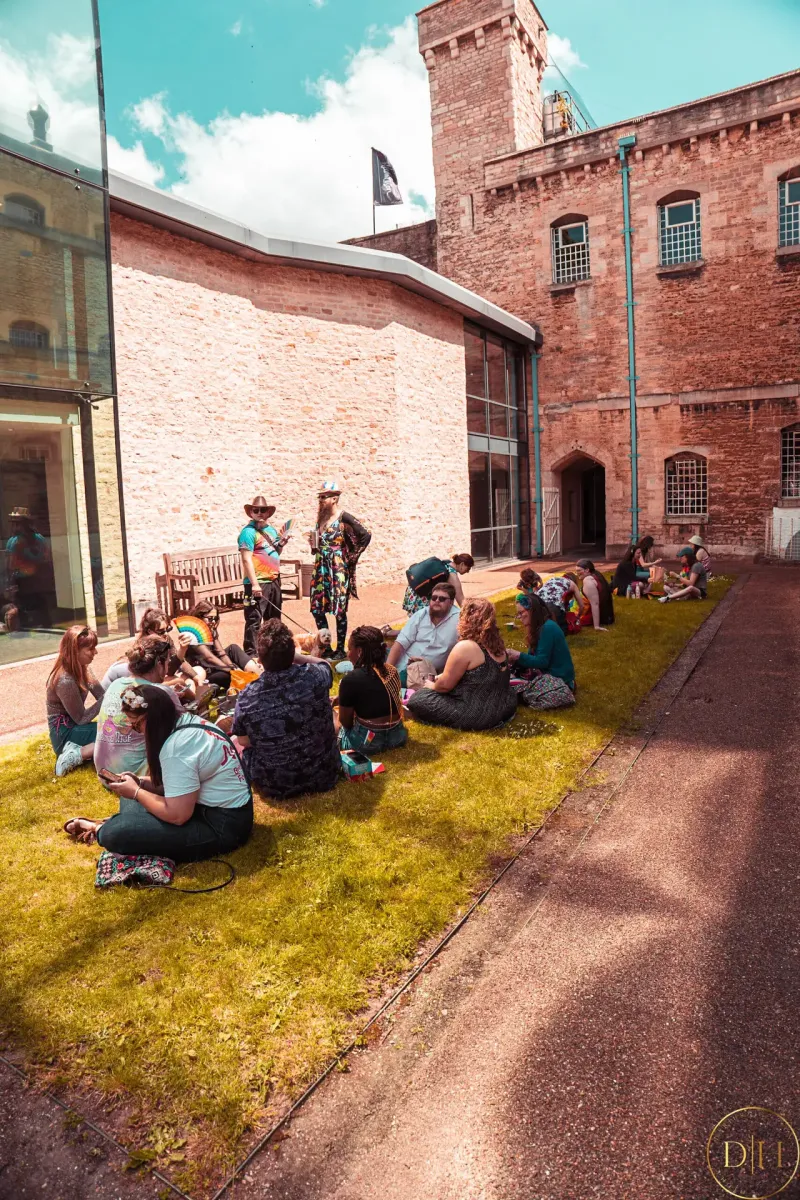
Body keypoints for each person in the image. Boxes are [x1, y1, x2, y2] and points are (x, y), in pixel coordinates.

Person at [63, 684, 253, 862]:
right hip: (209, 808)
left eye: (136, 725)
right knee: (129, 797)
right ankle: (131, 825)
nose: (137, 732)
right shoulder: (187, 723)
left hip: (222, 826)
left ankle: (101, 828)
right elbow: (177, 784)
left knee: (113, 833)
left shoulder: (177, 749)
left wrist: (137, 792)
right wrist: (140, 783)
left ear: (152, 718)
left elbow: (178, 815)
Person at [232, 618, 340, 800]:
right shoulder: (315, 676)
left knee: (235, 744)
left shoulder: (247, 697)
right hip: (324, 773)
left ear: (260, 659)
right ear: (293, 654)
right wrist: (297, 657)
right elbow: (325, 665)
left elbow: (243, 741)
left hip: (275, 783)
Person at [406, 598, 516, 731]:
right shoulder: (498, 644)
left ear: (467, 619)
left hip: (476, 715)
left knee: (418, 699)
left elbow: (444, 687)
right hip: (503, 708)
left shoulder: (466, 647)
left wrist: (431, 686)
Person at [95, 636, 184, 781]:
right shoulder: (160, 691)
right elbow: (186, 726)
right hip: (134, 777)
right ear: (159, 663)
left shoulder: (116, 684)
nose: (168, 669)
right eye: (167, 662)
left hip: (105, 774)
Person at [309, 481, 371, 657]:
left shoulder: (344, 517)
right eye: (320, 497)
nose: (321, 500)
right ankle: (326, 647)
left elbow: (366, 534)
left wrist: (351, 557)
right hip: (320, 568)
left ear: (334, 498)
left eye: (324, 497)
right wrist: (313, 545)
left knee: (339, 610)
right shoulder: (320, 518)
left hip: (337, 569)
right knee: (317, 608)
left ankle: (340, 650)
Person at [336, 625, 407, 751]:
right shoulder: (391, 671)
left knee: (331, 717)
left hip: (367, 742)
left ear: (359, 651)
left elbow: (346, 723)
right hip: (398, 737)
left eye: (349, 649)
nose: (348, 654)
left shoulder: (350, 679)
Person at [46, 625, 104, 776]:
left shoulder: (84, 668)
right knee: (113, 733)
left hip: (77, 728)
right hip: (65, 735)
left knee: (118, 729)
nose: (96, 652)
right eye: (91, 649)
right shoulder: (65, 679)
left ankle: (85, 750)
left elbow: (101, 695)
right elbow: (81, 718)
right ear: (75, 651)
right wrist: (109, 698)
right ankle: (74, 755)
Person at [238, 495, 291, 657]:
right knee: (254, 620)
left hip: (274, 579)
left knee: (274, 620)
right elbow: (246, 559)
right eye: (256, 510)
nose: (259, 513)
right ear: (251, 513)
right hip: (258, 582)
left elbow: (275, 552)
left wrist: (281, 544)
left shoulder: (271, 530)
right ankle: (251, 655)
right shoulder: (247, 533)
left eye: (263, 510)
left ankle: (273, 652)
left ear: (268, 512)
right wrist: (254, 584)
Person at [101, 608, 203, 690]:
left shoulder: (166, 639)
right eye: (161, 631)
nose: (166, 633)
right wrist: (182, 652)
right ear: (150, 631)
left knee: (199, 672)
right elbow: (163, 674)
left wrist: (195, 676)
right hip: (140, 683)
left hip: (154, 678)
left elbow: (177, 662)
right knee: (183, 681)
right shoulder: (146, 648)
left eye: (168, 629)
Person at [506, 593, 576, 708]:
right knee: (511, 674)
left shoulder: (547, 628)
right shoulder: (541, 626)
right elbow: (534, 659)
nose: (519, 617)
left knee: (510, 684)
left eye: (521, 613)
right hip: (551, 676)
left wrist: (518, 655)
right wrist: (516, 660)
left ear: (532, 611)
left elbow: (542, 661)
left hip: (559, 681)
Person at [387, 581, 461, 686]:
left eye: (442, 599)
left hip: (424, 674)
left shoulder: (459, 620)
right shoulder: (421, 615)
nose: (437, 601)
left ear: (451, 602)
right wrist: (387, 672)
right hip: (403, 663)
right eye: (434, 598)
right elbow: (400, 643)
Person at [183, 600, 259, 689]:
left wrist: (232, 667)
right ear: (199, 617)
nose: (213, 621)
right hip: (204, 669)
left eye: (215, 618)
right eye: (210, 618)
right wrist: (230, 670)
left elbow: (221, 653)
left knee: (233, 648)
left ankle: (258, 676)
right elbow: (209, 657)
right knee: (227, 675)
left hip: (215, 664)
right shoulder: (193, 633)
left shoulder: (211, 629)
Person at [5, 506, 54, 629]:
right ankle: (46, 626)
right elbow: (47, 558)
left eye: (16, 523)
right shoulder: (40, 538)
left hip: (23, 581)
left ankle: (25, 629)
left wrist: (10, 581)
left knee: (22, 607)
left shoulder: (14, 541)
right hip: (38, 580)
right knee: (41, 605)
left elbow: (11, 564)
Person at [402, 553, 474, 615]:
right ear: (462, 564)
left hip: (412, 594)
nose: (467, 571)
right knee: (422, 625)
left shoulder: (446, 563)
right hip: (420, 600)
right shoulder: (452, 576)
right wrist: (472, 614)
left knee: (415, 623)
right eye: (468, 568)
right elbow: (461, 601)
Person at [575, 560, 614, 630]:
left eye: (579, 571)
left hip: (585, 615)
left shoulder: (588, 581)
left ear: (587, 570)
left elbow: (595, 604)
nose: (577, 573)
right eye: (576, 571)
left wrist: (596, 626)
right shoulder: (596, 574)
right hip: (606, 615)